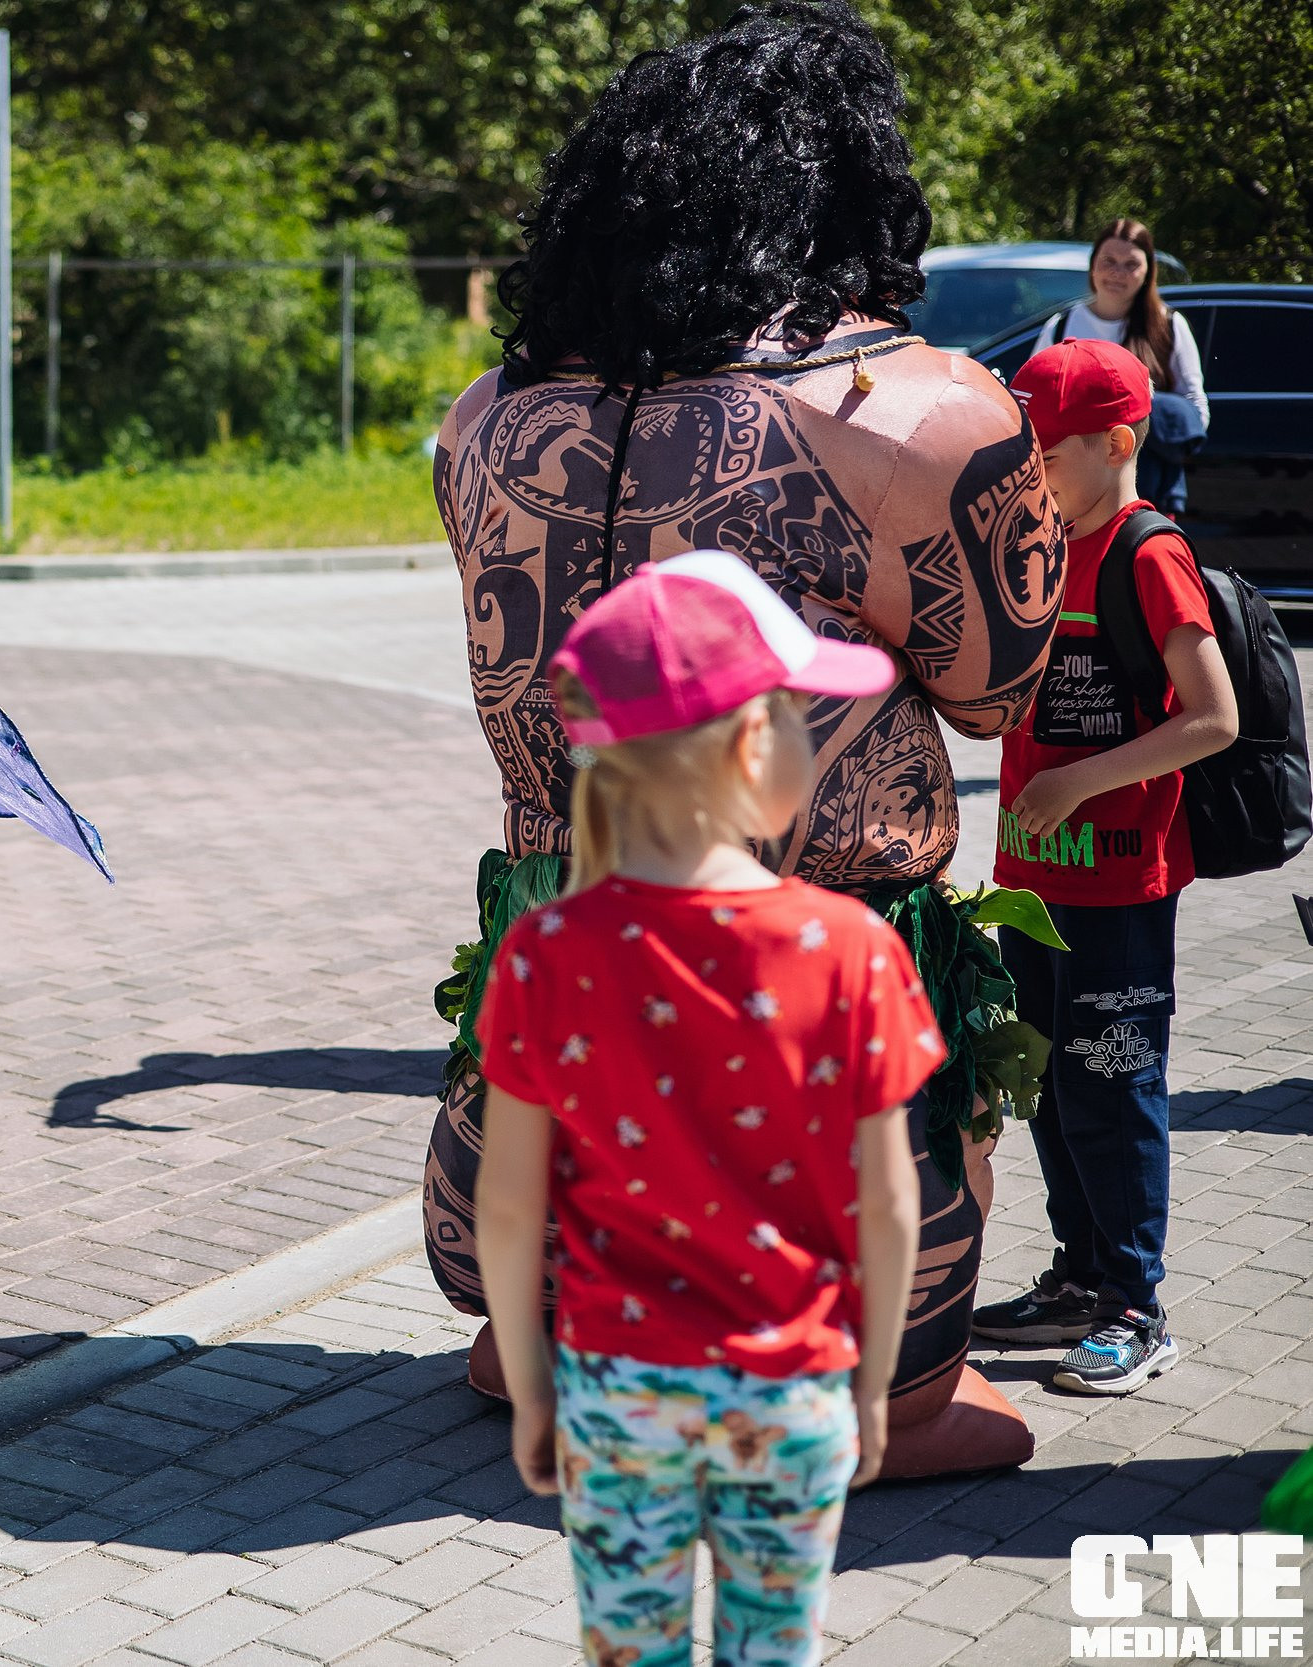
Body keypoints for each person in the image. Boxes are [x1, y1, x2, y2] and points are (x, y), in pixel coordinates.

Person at [425, 0, 1062, 1477]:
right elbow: (993, 695)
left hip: (560, 968)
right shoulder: (924, 411)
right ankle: (863, 1404)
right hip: (809, 981)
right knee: (957, 1420)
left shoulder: (487, 417)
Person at [477, 554, 930, 1667]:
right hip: (794, 1386)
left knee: (630, 1651)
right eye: (797, 712)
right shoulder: (852, 948)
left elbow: (505, 1204)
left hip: (617, 1390)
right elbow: (888, 1203)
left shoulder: (546, 952)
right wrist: (872, 1381)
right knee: (773, 1650)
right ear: (745, 743)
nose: (811, 735)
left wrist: (533, 1388)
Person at [969, 339, 1239, 1394]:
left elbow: (1211, 717)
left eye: (1042, 449)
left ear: (1115, 440)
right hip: (1029, 883)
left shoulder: (1144, 551)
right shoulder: (1035, 547)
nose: (1026, 468)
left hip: (1118, 884)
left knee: (1113, 1087)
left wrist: (1080, 784)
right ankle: (1079, 1279)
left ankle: (1135, 1304)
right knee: (1046, 1084)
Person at [1035, 218, 1208, 510]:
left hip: (1148, 489)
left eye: (1131, 264)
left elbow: (1195, 408)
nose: (1118, 273)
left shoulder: (1169, 326)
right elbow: (1038, 400)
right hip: (1073, 495)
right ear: (1093, 266)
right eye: (1109, 261)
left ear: (1147, 272)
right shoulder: (1062, 326)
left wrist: (1146, 422)